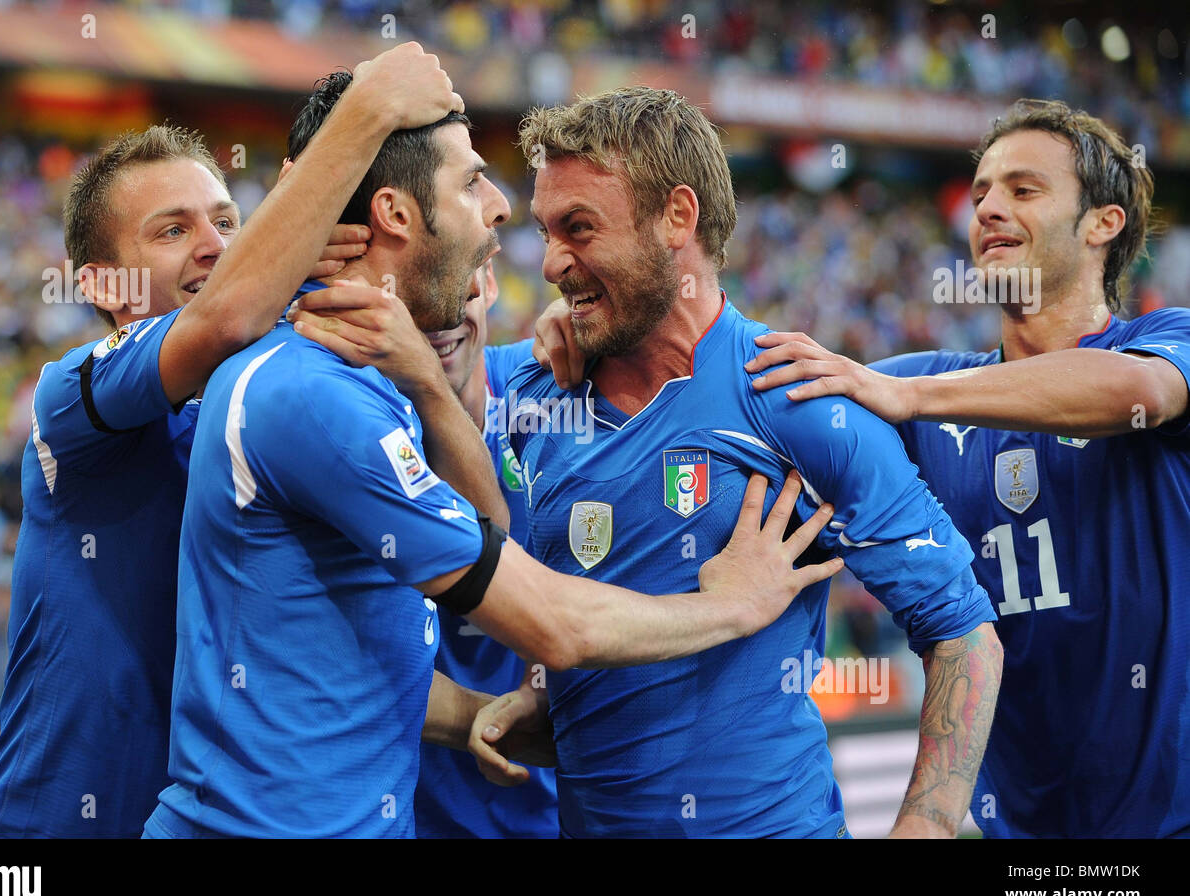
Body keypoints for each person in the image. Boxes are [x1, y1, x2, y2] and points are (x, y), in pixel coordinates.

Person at [143, 73, 843, 839]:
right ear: (396, 215)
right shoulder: (315, 396)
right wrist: (732, 605)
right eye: (472, 181)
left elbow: (438, 583)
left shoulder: (371, 380)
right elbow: (549, 622)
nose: (500, 208)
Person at [472, 86, 1002, 838]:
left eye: (580, 228)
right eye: (547, 230)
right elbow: (416, 371)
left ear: (676, 218)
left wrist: (927, 824)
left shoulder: (795, 395)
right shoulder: (531, 386)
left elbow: (963, 630)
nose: (553, 260)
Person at [0, 43, 463, 838]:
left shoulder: (261, 424)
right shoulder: (72, 398)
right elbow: (224, 317)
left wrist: (480, 717)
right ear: (100, 283)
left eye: (228, 222)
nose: (215, 245)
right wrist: (366, 110)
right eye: (172, 230)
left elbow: (322, 668)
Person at [736, 99, 1190, 838]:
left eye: (1023, 189)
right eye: (980, 192)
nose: (988, 208)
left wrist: (908, 395)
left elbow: (1138, 391)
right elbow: (759, 416)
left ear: (1103, 223)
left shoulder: (1166, 339)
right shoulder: (923, 383)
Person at [418, 261, 559, 837]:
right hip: (415, 816)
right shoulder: (344, 429)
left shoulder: (558, 385)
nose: (441, 315)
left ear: (491, 283)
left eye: (459, 287)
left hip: (560, 813)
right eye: (414, 297)